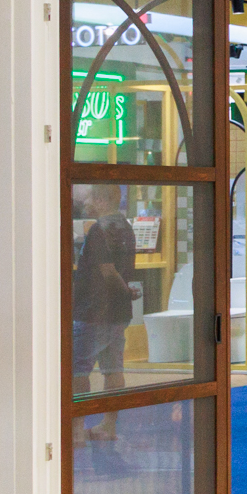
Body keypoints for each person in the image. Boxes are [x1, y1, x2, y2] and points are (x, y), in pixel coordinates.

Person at [71, 184, 138, 440]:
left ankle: (76, 430)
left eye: (89, 197)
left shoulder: (100, 229)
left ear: (101, 200)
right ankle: (108, 426)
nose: (84, 202)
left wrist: (125, 291)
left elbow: (108, 272)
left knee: (78, 371)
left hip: (94, 311)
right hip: (118, 314)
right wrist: (126, 293)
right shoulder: (126, 227)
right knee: (113, 369)